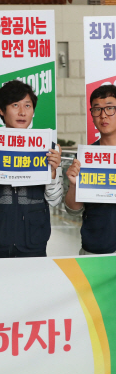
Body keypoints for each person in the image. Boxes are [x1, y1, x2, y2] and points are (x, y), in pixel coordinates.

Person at [0, 80, 62, 258]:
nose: (22, 112)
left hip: (34, 241)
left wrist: (52, 173)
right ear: (1, 110)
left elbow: (54, 200)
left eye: (27, 105)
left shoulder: (48, 149)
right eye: (15, 105)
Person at [65, 84, 116, 254]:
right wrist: (73, 185)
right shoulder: (85, 158)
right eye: (97, 110)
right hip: (95, 249)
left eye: (110, 108)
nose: (103, 115)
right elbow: (73, 210)